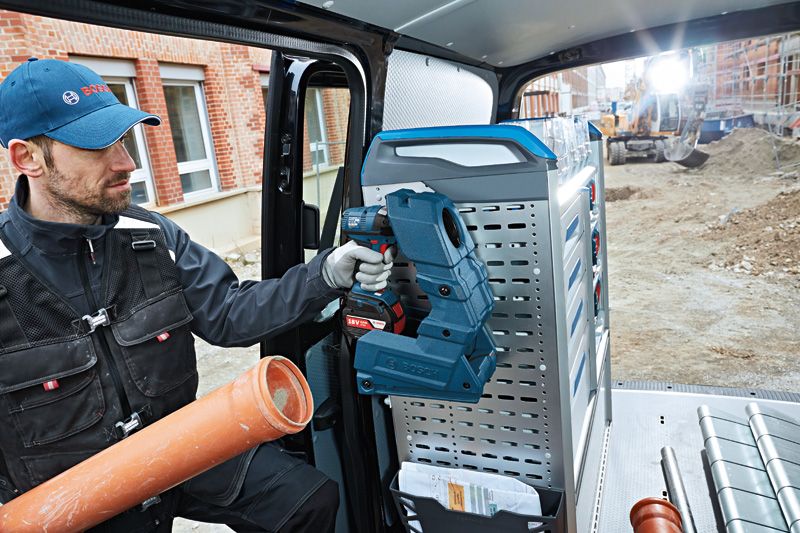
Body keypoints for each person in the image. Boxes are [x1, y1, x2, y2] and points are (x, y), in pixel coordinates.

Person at [0, 58, 392, 532]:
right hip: (71, 492)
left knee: (307, 500)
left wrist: (326, 274)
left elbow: (228, 312)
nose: (127, 162)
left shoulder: (148, 235)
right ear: (27, 159)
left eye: (122, 140)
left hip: (175, 448)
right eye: (97, 146)